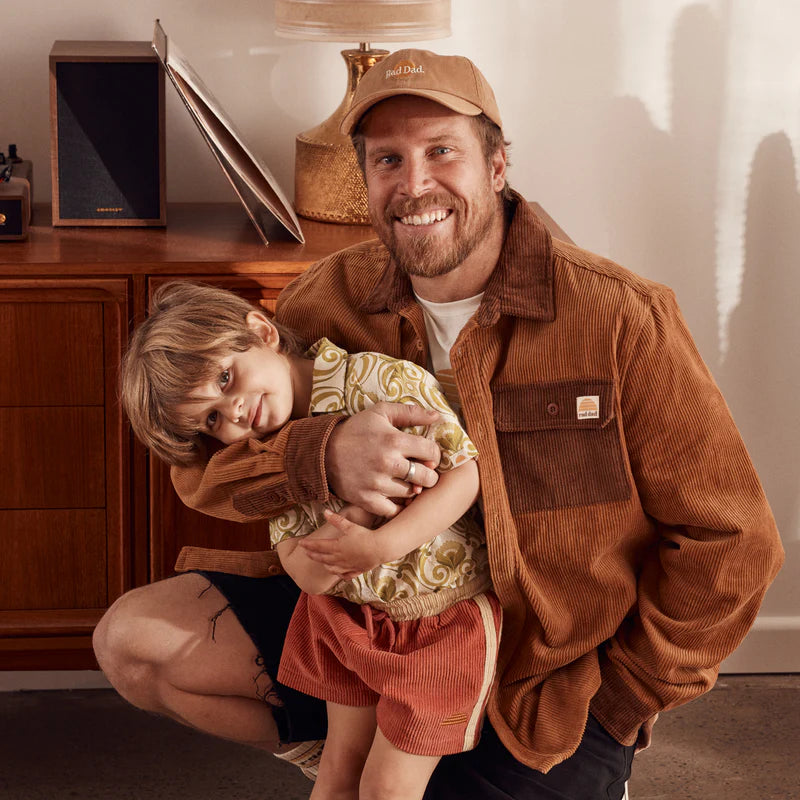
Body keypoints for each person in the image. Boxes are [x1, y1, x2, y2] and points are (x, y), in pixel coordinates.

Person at [94, 49, 784, 799]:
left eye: (442, 151)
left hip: (541, 677)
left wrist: (621, 704)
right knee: (135, 642)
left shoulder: (621, 316)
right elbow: (200, 470)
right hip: (373, 614)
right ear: (366, 179)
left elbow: (733, 540)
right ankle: (374, 734)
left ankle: (447, 758)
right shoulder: (325, 302)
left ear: (497, 165)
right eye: (388, 159)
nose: (414, 183)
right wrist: (323, 452)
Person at [115, 280, 501, 800]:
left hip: (440, 620)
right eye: (212, 419)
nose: (234, 412)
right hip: (349, 623)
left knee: (387, 786)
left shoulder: (376, 380)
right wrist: (341, 535)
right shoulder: (267, 456)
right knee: (338, 768)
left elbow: (465, 474)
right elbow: (304, 568)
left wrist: (381, 546)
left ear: (262, 331)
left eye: (226, 378)